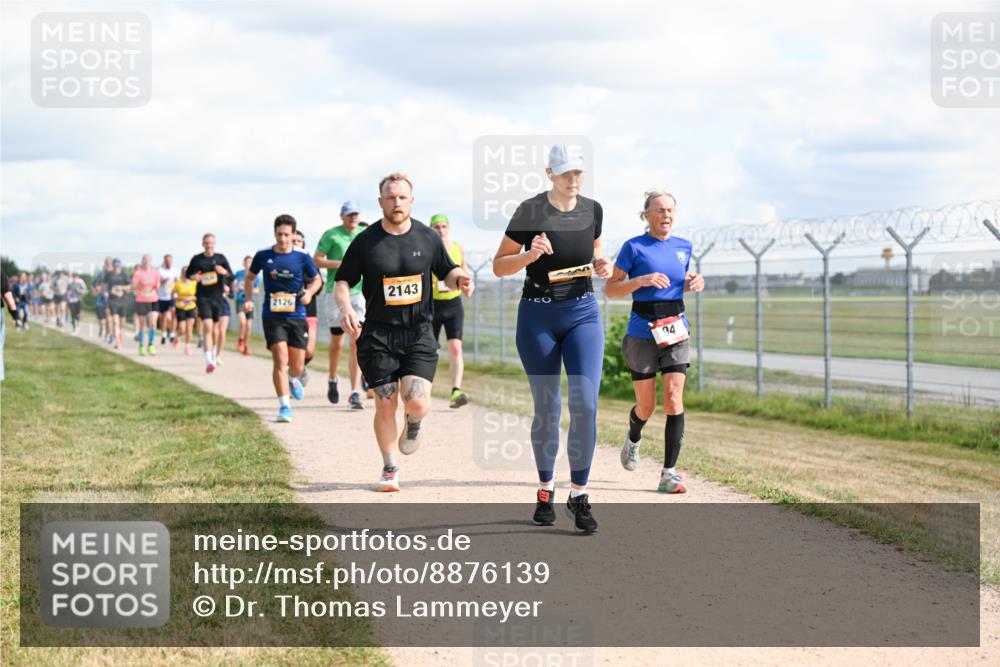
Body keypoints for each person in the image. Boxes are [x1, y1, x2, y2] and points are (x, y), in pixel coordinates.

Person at [492, 144, 610, 534]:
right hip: (538, 315)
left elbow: (595, 250)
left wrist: (602, 264)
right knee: (548, 407)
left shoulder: (593, 209)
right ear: (549, 173)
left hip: (582, 313)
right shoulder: (530, 211)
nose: (573, 179)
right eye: (565, 173)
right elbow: (499, 264)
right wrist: (528, 255)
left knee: (586, 405)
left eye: (578, 172)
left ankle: (579, 494)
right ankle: (545, 489)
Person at [335, 173, 470, 492]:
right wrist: (345, 308)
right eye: (390, 197)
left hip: (419, 332)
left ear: (412, 201)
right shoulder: (365, 242)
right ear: (381, 202)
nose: (396, 202)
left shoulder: (427, 237)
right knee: (385, 401)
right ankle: (389, 467)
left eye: (402, 197)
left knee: (418, 402)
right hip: (378, 335)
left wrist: (460, 278)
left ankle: (414, 422)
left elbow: (447, 271)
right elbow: (342, 281)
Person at [606, 191, 704, 493]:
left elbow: (678, 281)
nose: (666, 215)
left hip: (675, 329)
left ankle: (668, 474)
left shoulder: (683, 247)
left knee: (674, 398)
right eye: (660, 210)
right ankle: (634, 436)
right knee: (646, 406)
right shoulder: (633, 247)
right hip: (642, 332)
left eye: (671, 210)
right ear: (646, 215)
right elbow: (611, 289)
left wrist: (692, 282)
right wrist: (640, 280)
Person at [245, 214, 322, 423]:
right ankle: (285, 406)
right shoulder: (263, 255)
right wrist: (249, 298)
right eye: (279, 234)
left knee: (297, 365)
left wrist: (309, 293)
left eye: (287, 235)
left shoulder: (302, 256)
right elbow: (250, 278)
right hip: (272, 315)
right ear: (274, 233)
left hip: (296, 315)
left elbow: (316, 279)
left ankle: (293, 379)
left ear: (293, 234)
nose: (283, 239)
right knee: (280, 358)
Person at [315, 201, 366, 407]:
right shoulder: (331, 235)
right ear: (342, 217)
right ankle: (333, 377)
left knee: (356, 341)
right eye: (349, 215)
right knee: (337, 342)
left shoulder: (365, 234)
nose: (353, 218)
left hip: (359, 292)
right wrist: (340, 264)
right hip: (336, 291)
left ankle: (354, 392)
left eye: (356, 214)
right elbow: (317, 260)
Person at [429, 213, 474, 408]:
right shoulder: (428, 248)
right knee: (429, 350)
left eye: (443, 226)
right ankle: (424, 390)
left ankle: (456, 390)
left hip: (453, 305)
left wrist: (467, 284)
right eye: (436, 227)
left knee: (456, 348)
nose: (440, 230)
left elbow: (463, 271)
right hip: (431, 305)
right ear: (431, 229)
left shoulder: (458, 247)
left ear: (449, 228)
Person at [186, 233, 234, 373]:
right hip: (202, 297)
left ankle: (214, 354)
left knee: (216, 330)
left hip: (218, 297)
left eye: (211, 243)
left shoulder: (221, 258)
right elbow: (188, 274)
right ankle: (208, 360)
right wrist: (195, 276)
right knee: (207, 326)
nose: (209, 245)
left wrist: (223, 271)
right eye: (206, 243)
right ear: (203, 244)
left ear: (215, 244)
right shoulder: (197, 259)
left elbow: (231, 275)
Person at [293, 230, 322, 388]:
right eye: (294, 240)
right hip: (291, 312)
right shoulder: (286, 262)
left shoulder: (309, 262)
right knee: (294, 349)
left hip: (309, 311)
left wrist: (309, 289)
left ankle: (301, 366)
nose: (296, 243)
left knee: (309, 350)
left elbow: (319, 285)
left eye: (299, 241)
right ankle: (294, 375)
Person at [131, 254, 161, 356]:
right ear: (142, 261)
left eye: (148, 260)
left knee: (153, 323)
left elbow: (158, 284)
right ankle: (141, 345)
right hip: (141, 301)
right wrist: (139, 285)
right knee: (142, 324)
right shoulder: (138, 273)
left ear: (151, 261)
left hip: (153, 300)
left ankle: (151, 344)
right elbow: (133, 286)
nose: (146, 262)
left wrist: (156, 286)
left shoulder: (155, 272)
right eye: (144, 260)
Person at [234, 255, 260, 356]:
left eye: (251, 262)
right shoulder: (238, 274)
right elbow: (234, 284)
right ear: (244, 263)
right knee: (242, 322)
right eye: (247, 262)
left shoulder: (256, 276)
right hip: (240, 301)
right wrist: (235, 287)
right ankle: (240, 341)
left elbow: (257, 290)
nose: (249, 264)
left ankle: (245, 346)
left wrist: (248, 289)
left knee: (249, 326)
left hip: (250, 302)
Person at [105, 259, 131, 349]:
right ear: (113, 266)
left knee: (122, 323)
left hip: (123, 301)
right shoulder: (108, 275)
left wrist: (122, 287)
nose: (116, 268)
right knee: (116, 322)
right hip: (112, 300)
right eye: (115, 266)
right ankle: (117, 341)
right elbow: (104, 285)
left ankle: (121, 339)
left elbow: (130, 286)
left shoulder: (124, 275)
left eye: (118, 266)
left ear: (120, 266)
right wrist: (106, 291)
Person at [172, 266, 198, 355]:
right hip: (180, 307)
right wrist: (181, 298)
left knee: (189, 328)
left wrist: (191, 298)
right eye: (184, 272)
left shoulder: (194, 283)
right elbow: (173, 295)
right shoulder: (178, 283)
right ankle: (177, 337)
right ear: (182, 273)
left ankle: (187, 346)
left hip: (191, 307)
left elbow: (198, 296)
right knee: (182, 329)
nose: (186, 273)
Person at [157, 254, 180, 348]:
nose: (168, 262)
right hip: (161, 296)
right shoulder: (159, 270)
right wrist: (163, 281)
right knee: (163, 316)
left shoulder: (175, 271)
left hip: (172, 296)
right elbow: (156, 283)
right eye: (167, 261)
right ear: (164, 261)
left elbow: (178, 282)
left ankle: (172, 333)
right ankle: (163, 333)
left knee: (173, 314)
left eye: (170, 260)